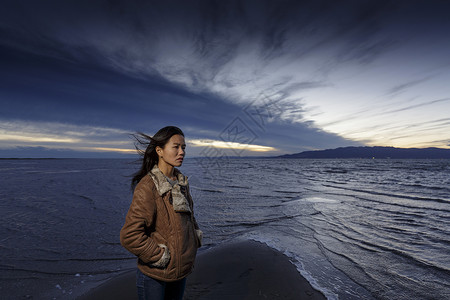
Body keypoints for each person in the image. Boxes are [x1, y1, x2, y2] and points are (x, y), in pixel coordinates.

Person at [120, 126, 202, 300]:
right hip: (155, 275)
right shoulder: (148, 187)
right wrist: (160, 256)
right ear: (159, 151)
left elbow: (190, 218)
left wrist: (194, 238)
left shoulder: (181, 183)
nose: (181, 152)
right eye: (176, 147)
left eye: (184, 147)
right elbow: (130, 235)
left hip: (180, 273)